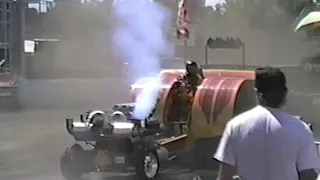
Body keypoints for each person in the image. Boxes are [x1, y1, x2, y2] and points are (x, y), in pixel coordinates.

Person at [213, 66, 320, 180]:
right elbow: (308, 175)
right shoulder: (300, 129)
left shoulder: (235, 126)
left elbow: (224, 175)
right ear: (285, 93)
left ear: (257, 92)